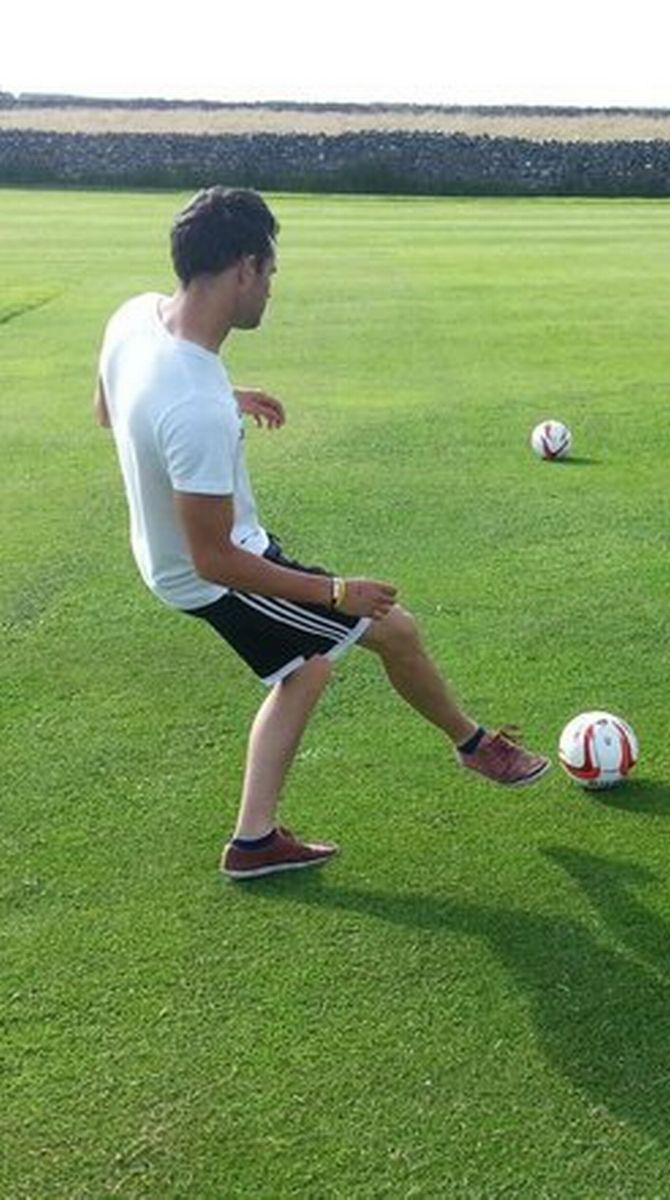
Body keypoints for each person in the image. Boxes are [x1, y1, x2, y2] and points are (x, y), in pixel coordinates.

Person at [94, 186, 550, 881]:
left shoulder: (135, 316)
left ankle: (254, 842)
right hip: (206, 572)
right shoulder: (193, 404)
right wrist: (336, 591)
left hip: (169, 553)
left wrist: (224, 396)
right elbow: (215, 560)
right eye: (269, 272)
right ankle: (473, 745)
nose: (271, 289)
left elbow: (109, 408)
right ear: (244, 267)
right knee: (390, 627)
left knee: (307, 668)